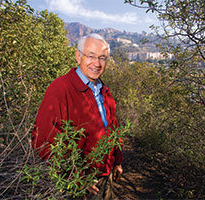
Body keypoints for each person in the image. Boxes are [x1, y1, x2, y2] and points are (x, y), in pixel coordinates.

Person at [32, 33, 123, 200]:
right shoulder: (61, 89)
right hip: (79, 184)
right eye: (91, 56)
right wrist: (75, 177)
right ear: (78, 56)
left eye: (102, 58)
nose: (97, 63)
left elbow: (112, 128)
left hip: (106, 175)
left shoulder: (104, 90)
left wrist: (117, 160)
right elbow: (43, 140)